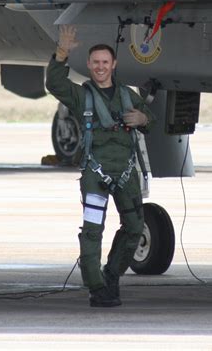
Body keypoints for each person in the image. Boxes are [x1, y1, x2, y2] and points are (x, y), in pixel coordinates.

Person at [46, 25, 154, 307]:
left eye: (105, 62)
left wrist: (142, 119)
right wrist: (61, 53)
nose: (101, 67)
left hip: (127, 173)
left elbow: (151, 120)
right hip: (96, 173)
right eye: (96, 63)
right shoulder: (82, 96)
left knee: (134, 227)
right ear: (89, 65)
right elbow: (55, 85)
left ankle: (112, 275)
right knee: (93, 231)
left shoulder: (129, 96)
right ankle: (97, 287)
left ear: (114, 65)